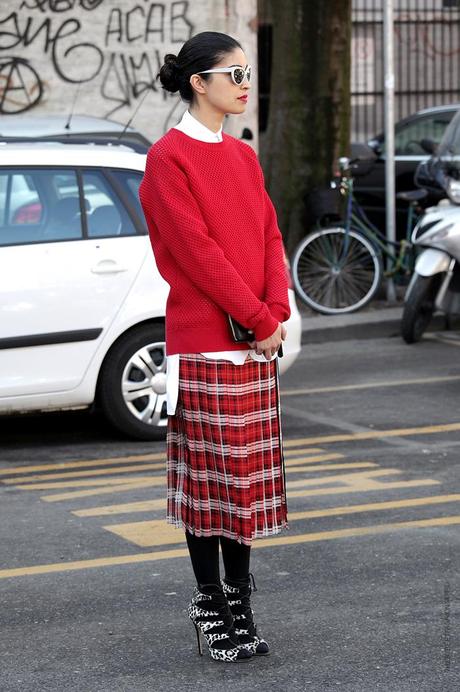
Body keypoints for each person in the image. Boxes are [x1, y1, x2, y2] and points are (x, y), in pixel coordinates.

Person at [139, 31, 290, 663]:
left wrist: (276, 309)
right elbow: (198, 256)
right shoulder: (168, 160)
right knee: (209, 486)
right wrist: (258, 318)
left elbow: (269, 234)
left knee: (245, 487)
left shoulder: (243, 157)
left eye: (248, 72)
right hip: (204, 346)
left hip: (253, 345)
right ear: (198, 82)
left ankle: (242, 601)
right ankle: (211, 605)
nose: (245, 83)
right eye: (234, 73)